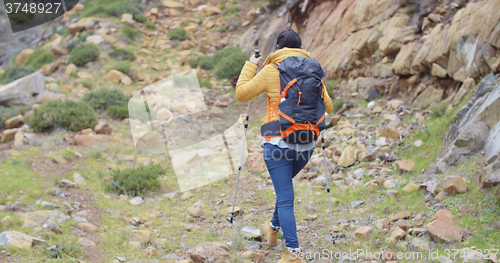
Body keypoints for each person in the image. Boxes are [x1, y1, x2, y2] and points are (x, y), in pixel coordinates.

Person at [235, 29, 334, 263]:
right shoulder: (313, 70)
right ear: (300, 47)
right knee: (284, 191)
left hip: (277, 142)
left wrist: (252, 65)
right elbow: (328, 107)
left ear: (278, 48)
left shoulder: (272, 69)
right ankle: (272, 228)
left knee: (285, 197)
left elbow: (241, 93)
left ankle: (294, 253)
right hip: (306, 142)